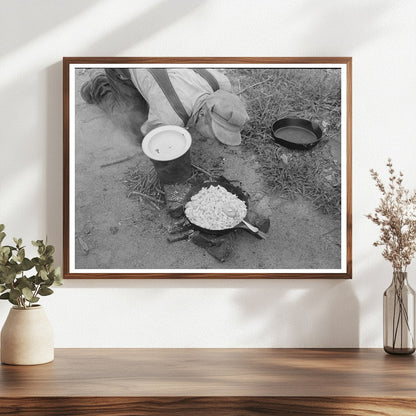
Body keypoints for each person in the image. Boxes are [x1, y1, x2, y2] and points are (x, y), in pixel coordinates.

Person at [81, 67, 249, 146]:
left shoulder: (221, 83)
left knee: (154, 95)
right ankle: (98, 84)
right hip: (124, 64)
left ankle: (145, 90)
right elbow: (150, 133)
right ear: (203, 113)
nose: (215, 140)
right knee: (134, 129)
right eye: (215, 133)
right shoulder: (169, 118)